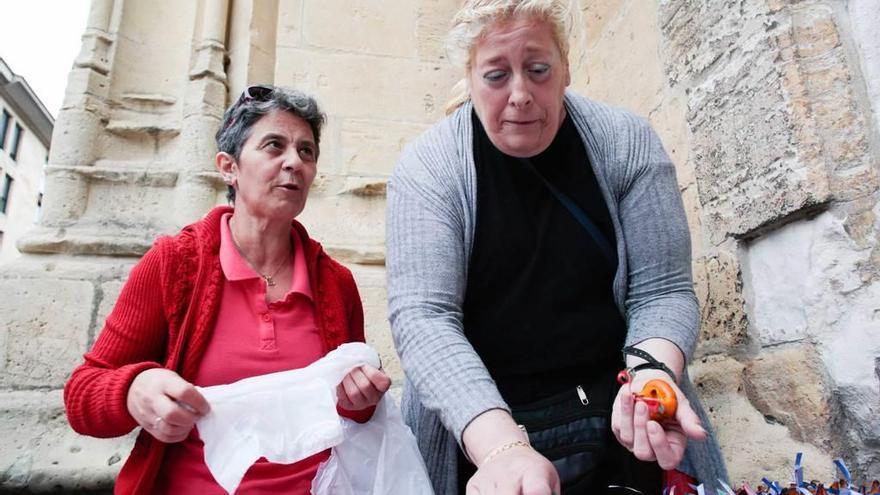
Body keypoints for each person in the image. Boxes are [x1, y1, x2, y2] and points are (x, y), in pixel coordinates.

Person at [385, 1, 728, 494]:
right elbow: (424, 318)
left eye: (538, 69)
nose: (521, 94)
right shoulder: (427, 169)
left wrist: (652, 382)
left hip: (617, 418)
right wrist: (503, 449)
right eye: (496, 75)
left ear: (565, 68)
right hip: (482, 429)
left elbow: (662, 289)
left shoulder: (626, 142)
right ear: (471, 77)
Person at [64, 85, 391, 494]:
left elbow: (350, 414)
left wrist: (359, 401)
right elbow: (83, 394)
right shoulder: (175, 263)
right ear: (228, 167)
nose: (294, 162)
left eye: (306, 152)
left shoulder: (335, 283)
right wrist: (133, 390)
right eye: (275, 146)